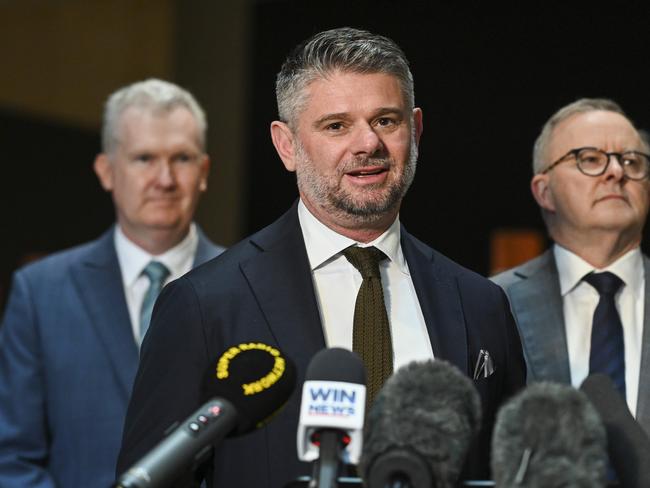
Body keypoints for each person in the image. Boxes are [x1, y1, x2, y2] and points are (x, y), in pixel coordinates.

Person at [117, 28, 525, 487]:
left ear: (417, 129)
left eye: (386, 121)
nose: (368, 143)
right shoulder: (204, 303)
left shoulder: (481, 305)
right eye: (336, 126)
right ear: (286, 145)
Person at [0, 79, 225, 488]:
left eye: (182, 158)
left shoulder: (244, 283)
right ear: (106, 171)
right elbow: (11, 457)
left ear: (204, 172)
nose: (165, 179)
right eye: (143, 158)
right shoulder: (40, 292)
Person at [492, 98, 650, 435]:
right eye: (590, 159)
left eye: (632, 162)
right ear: (544, 191)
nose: (617, 172)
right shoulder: (491, 303)